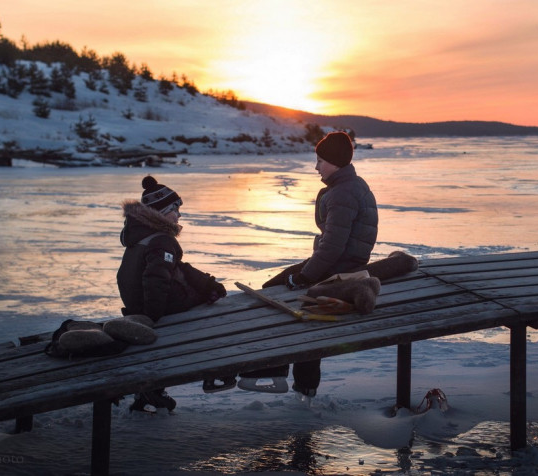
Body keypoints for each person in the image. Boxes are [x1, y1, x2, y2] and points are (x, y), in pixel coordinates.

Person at [247, 131, 378, 398]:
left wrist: (304, 277)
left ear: (335, 162)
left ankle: (279, 374)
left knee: (283, 299)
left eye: (320, 161)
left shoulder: (343, 193)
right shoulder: (351, 185)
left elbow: (332, 247)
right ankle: (291, 378)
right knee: (273, 287)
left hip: (340, 268)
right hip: (343, 262)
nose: (316, 167)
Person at [117, 175, 227, 413]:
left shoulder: (142, 235)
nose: (179, 215)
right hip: (153, 308)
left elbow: (179, 268)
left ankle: (152, 392)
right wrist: (152, 317)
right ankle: (216, 371)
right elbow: (156, 280)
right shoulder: (161, 241)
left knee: (205, 293)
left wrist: (207, 283)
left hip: (139, 304)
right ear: (160, 213)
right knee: (214, 317)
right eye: (174, 210)